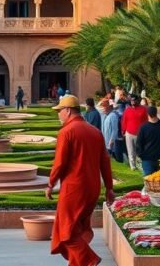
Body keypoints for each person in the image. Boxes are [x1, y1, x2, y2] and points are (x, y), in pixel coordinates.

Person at [46, 94, 115, 266]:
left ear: (68, 111)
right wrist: (109, 188)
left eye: (60, 111)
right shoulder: (95, 132)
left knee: (65, 231)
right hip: (92, 188)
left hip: (74, 188)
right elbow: (105, 162)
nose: (58, 114)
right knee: (79, 228)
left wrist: (50, 183)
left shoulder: (67, 132)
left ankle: (89, 259)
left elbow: (59, 163)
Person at [135, 105, 160, 177]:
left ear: (148, 115)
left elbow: (139, 144)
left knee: (149, 180)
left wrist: (141, 155)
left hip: (147, 159)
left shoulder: (143, 127)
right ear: (156, 113)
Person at [120, 95, 148, 171]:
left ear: (137, 101)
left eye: (134, 100)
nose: (133, 102)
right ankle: (133, 167)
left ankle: (140, 166)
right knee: (130, 151)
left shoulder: (143, 109)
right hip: (129, 133)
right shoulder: (127, 110)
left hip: (140, 134)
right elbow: (124, 121)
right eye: (131, 100)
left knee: (139, 151)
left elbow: (146, 121)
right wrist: (123, 131)